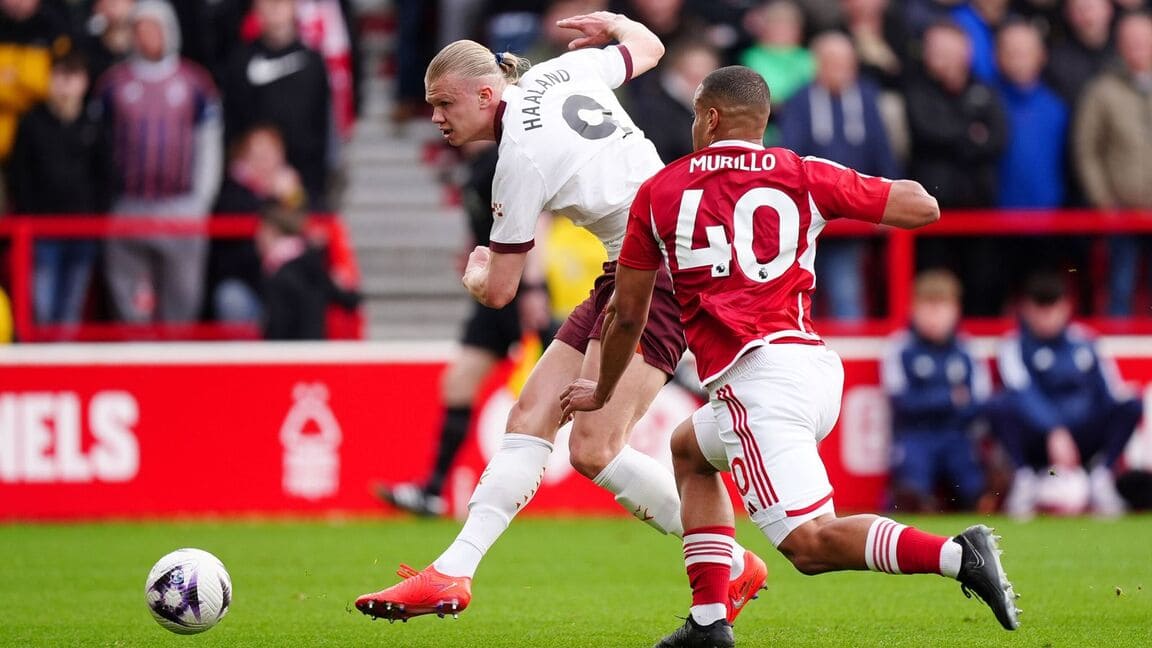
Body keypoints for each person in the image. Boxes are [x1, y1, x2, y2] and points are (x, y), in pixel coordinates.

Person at [559, 65, 1019, 646]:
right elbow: (921, 207)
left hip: (755, 383)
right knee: (689, 452)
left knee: (810, 545)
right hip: (811, 365)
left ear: (709, 117)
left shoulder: (661, 190)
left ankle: (959, 555)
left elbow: (628, 315)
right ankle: (708, 622)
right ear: (765, 121)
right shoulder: (801, 172)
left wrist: (601, 391)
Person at [354, 11, 768, 624]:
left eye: (444, 103)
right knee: (531, 413)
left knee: (596, 449)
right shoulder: (563, 69)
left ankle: (729, 560)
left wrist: (472, 273)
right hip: (633, 262)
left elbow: (498, 291)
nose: (435, 117)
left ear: (486, 94)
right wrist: (617, 21)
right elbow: (648, 46)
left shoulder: (518, 155)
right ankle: (453, 571)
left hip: (662, 271)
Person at [373, 142, 559, 517]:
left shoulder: (505, 158)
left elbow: (536, 220)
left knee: (567, 386)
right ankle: (434, 491)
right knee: (458, 382)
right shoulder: (474, 164)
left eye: (448, 106)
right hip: (495, 288)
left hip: (520, 288)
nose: (441, 120)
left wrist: (535, 287)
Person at [92, 0, 222, 324]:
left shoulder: (195, 82)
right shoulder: (114, 84)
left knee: (182, 299)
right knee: (130, 300)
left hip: (179, 205)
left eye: (154, 27)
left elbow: (209, 144)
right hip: (129, 203)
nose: (147, 35)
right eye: (140, 28)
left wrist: (200, 200)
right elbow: (96, 143)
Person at [992, 272, 1143, 518]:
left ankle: (1101, 477)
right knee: (999, 405)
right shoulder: (1014, 345)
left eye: (1052, 308)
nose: (1046, 318)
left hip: (1084, 436)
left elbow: (1110, 391)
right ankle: (1025, 479)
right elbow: (1022, 392)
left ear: (1066, 307)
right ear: (1026, 309)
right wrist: (1054, 429)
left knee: (1131, 403)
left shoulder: (1085, 341)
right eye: (1039, 309)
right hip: (1039, 440)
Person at [778, 31, 899, 321]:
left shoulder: (866, 97)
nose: (840, 69)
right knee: (803, 291)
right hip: (807, 217)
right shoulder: (799, 101)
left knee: (846, 288)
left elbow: (881, 149)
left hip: (854, 212)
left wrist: (891, 199)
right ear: (817, 63)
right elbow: (790, 156)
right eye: (831, 61)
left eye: (846, 62)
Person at [7, 48, 110, 331]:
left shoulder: (93, 124)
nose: (65, 84)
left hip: (82, 226)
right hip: (42, 229)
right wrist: (31, 215)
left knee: (72, 302)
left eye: (72, 76)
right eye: (60, 76)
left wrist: (95, 215)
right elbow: (20, 174)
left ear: (84, 82)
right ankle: (39, 358)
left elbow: (105, 175)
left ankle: (64, 360)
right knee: (42, 299)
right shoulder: (32, 122)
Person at [882, 270, 989, 512]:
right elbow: (903, 403)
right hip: (915, 436)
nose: (934, 317)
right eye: (928, 308)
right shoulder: (900, 348)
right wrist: (950, 397)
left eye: (941, 308)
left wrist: (931, 400)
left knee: (976, 490)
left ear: (956, 310)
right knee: (911, 492)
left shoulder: (966, 349)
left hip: (957, 435)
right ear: (913, 309)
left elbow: (978, 404)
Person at [1073, 11, 1152, 316]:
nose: (1139, 48)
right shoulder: (1102, 90)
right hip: (1122, 213)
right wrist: (1103, 200)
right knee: (1119, 287)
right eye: (1131, 42)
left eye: (1145, 41)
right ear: (1119, 45)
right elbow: (1086, 150)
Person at [223, 0, 332, 209]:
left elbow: (322, 127)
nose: (274, 7)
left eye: (281, 1)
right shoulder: (240, 60)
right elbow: (231, 125)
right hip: (249, 186)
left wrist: (308, 184)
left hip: (303, 183)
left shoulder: (313, 62)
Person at [209, 124, 307, 323]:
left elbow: (310, 225)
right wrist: (273, 196)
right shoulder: (231, 193)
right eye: (257, 154)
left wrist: (292, 197)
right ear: (243, 157)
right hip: (250, 287)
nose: (264, 162)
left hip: (286, 288)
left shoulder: (294, 191)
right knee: (230, 297)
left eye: (269, 154)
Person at [256, 202, 360, 339]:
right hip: (315, 350)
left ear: (273, 231)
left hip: (289, 354)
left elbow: (278, 328)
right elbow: (350, 300)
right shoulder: (312, 262)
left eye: (261, 232)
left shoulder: (279, 273)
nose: (257, 238)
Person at [629, 39, 721, 163]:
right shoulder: (654, 110)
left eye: (705, 74)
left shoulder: (720, 110)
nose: (699, 81)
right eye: (692, 75)